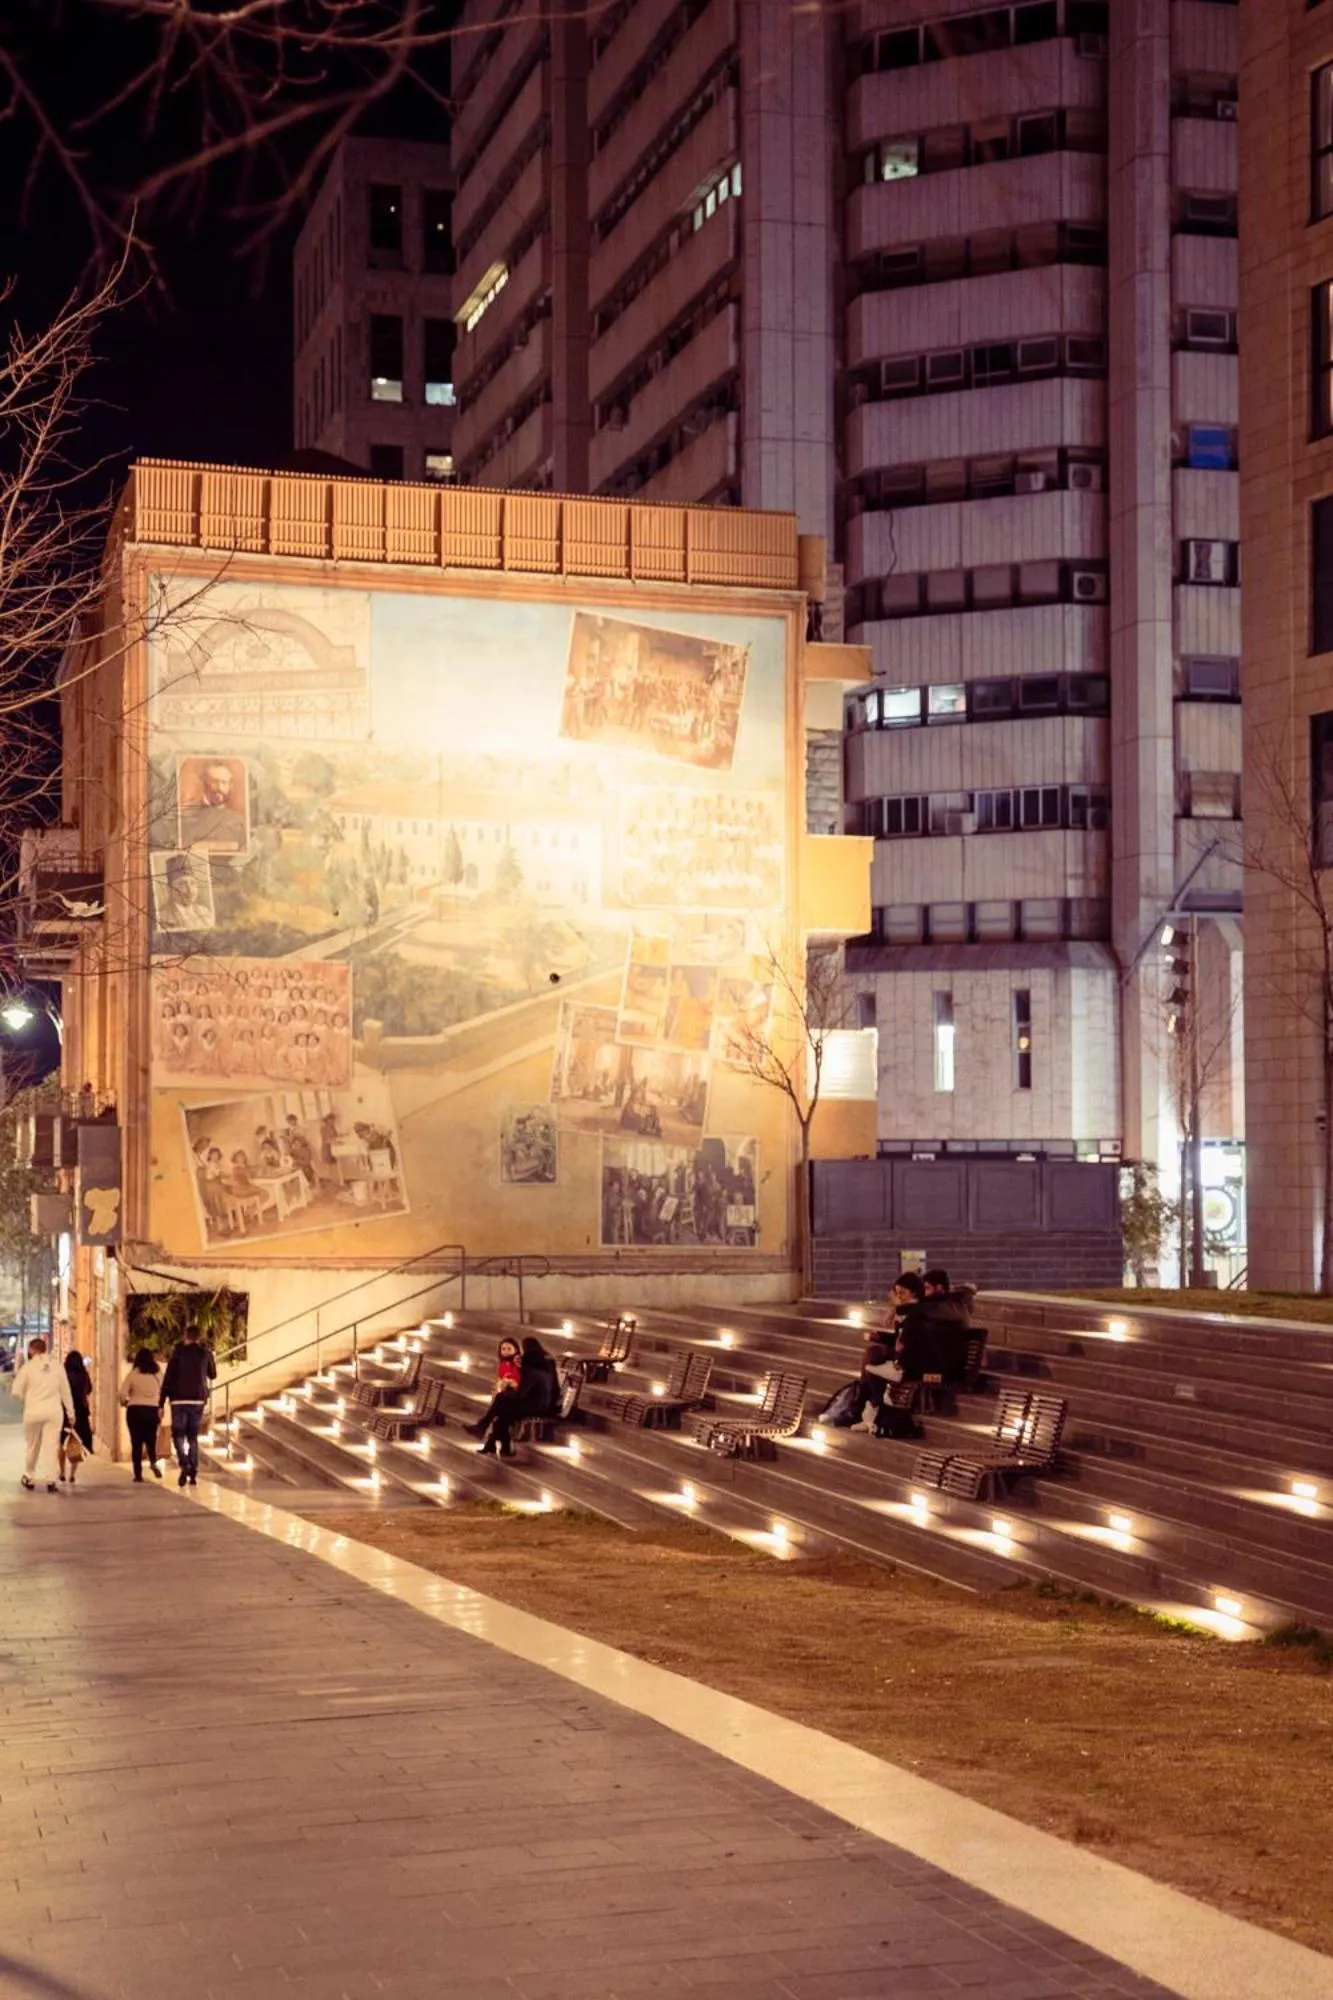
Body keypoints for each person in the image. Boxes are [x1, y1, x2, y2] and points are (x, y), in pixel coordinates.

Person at [472, 1336, 558, 1458]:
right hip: (541, 1405)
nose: (522, 1354)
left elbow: (520, 1394)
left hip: (536, 1407)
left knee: (501, 1400)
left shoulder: (531, 1370)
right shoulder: (543, 1365)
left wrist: (505, 1392)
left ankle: (484, 1429)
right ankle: (498, 1445)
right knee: (502, 1411)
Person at [11, 1337, 75, 1492]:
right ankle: (51, 1480)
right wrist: (70, 1412)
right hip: (54, 1412)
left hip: (33, 1411)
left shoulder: (27, 1368)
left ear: (32, 1350)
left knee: (32, 1446)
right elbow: (66, 1391)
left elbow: (15, 1392)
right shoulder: (57, 1366)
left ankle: (29, 1476)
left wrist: (25, 1398)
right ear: (45, 1349)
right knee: (51, 1445)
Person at [158, 1326, 217, 1488]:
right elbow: (213, 1374)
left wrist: (161, 1403)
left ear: (185, 1336)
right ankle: (193, 1472)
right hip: (197, 1400)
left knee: (178, 1435)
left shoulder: (177, 1354)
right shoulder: (205, 1353)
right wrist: (209, 1358)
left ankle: (184, 1464)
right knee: (192, 1437)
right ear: (198, 1337)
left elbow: (168, 1379)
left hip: (178, 1400)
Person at [921, 1267, 974, 1384]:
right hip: (949, 1366)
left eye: (927, 1288)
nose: (925, 1293)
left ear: (939, 1288)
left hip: (945, 1371)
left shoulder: (946, 1307)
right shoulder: (956, 1304)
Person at [180, 759, 247, 851]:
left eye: (224, 782)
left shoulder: (239, 821)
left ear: (229, 785)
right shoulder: (186, 818)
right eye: (215, 782)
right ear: (204, 782)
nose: (220, 788)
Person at [119, 1348, 164, 1481]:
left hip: (135, 1410)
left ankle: (137, 1474)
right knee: (151, 1440)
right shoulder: (157, 1374)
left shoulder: (133, 1374)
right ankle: (153, 1463)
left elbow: (122, 1393)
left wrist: (124, 1402)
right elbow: (163, 1390)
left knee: (136, 1442)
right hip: (152, 1410)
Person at [59, 1349, 95, 1483]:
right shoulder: (84, 1375)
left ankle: (62, 1472)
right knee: (77, 1442)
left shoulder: (63, 1374)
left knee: (62, 1442)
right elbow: (89, 1390)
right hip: (81, 1411)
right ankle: (72, 1474)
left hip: (65, 1411)